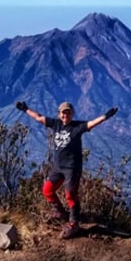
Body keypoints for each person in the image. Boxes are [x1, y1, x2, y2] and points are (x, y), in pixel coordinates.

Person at [15, 100, 118, 238]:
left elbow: (92, 123)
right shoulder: (55, 124)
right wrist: (25, 109)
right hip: (58, 168)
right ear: (59, 114)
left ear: (72, 114)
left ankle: (74, 224)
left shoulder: (77, 127)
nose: (65, 116)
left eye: (68, 113)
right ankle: (59, 212)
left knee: (70, 195)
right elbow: (38, 117)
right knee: (47, 190)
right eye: (63, 113)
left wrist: (106, 116)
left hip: (72, 168)